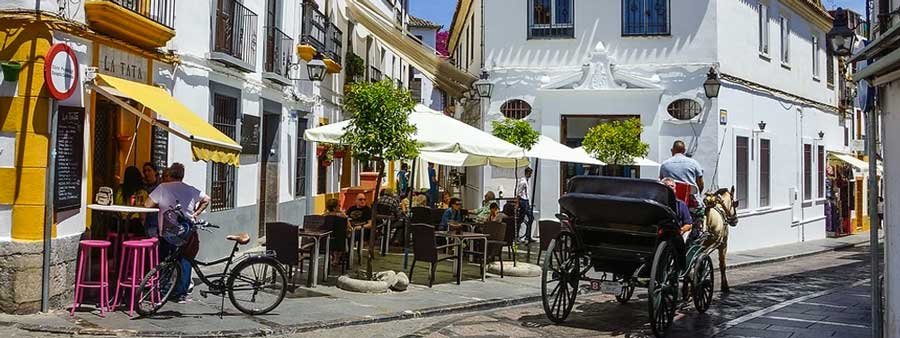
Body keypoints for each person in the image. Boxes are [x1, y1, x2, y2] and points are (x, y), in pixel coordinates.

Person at [144, 163, 210, 304]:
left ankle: (163, 289)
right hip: (187, 231)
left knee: (165, 260)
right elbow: (207, 199)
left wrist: (161, 204)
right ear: (182, 175)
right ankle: (180, 294)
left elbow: (147, 204)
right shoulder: (190, 189)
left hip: (167, 232)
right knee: (185, 261)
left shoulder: (162, 188)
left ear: (170, 174)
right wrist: (195, 213)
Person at [114, 166, 150, 235]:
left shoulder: (119, 190)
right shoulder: (142, 192)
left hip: (117, 224)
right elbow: (143, 215)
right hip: (133, 225)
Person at [516, 167, 535, 243]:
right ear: (528, 173)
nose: (531, 175)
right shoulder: (523, 181)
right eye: (530, 173)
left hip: (526, 201)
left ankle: (527, 236)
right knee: (526, 218)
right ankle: (521, 236)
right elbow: (519, 193)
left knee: (525, 218)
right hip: (523, 201)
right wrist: (517, 203)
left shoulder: (526, 181)